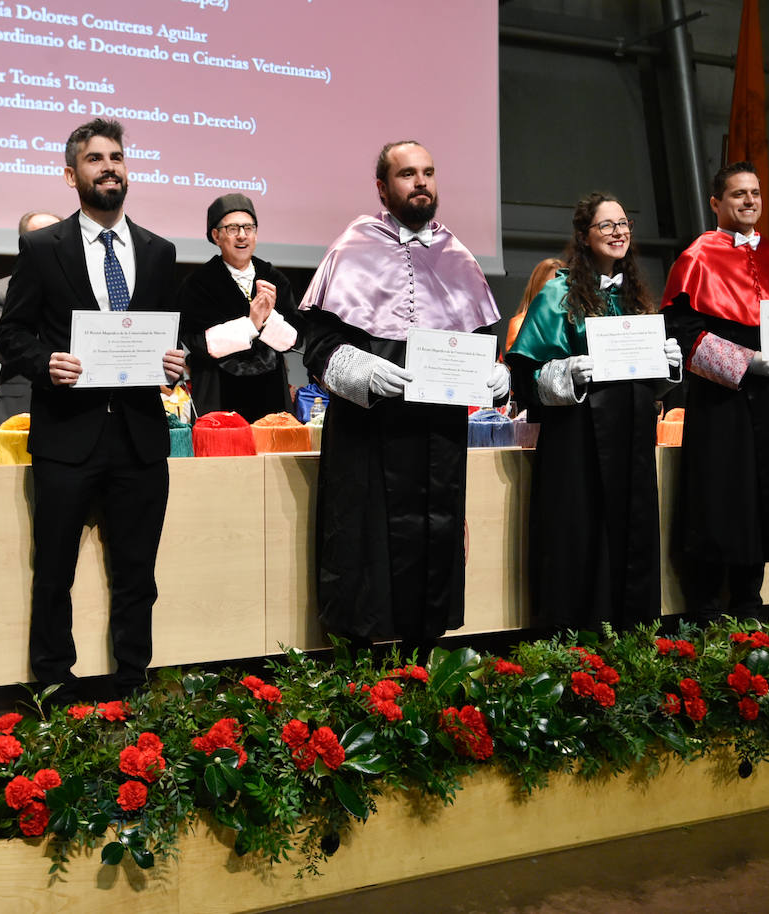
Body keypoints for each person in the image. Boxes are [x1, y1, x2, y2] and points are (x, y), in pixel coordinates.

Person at [0, 118, 184, 699]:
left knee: (138, 579)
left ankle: (133, 684)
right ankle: (53, 687)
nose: (109, 167)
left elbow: (170, 338)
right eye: (96, 158)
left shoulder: (159, 251)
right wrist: (45, 362)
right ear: (72, 173)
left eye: (117, 158)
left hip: (139, 438)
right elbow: (12, 333)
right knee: (54, 573)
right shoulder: (41, 248)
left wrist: (176, 362)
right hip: (67, 437)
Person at [298, 140, 505, 658]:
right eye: (408, 173)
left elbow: (480, 343)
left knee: (434, 541)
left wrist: (497, 376)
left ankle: (424, 657)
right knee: (362, 544)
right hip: (370, 432)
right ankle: (363, 672)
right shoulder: (352, 247)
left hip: (437, 438)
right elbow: (318, 349)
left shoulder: (458, 257)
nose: (421, 182)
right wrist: (362, 371)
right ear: (383, 187)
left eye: (428, 172)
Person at [661, 161, 769, 619]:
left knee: (764, 497)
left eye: (755, 193)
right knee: (719, 499)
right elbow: (682, 336)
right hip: (722, 401)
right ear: (716, 203)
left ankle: (750, 603)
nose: (749, 201)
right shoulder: (696, 257)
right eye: (738, 194)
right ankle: (704, 607)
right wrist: (746, 362)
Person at [506, 193, 681, 631]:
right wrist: (568, 372)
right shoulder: (557, 292)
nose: (618, 231)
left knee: (633, 533)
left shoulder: (635, 294)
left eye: (624, 224)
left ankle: (633, 636)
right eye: (606, 225)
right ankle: (578, 639)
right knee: (579, 537)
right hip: (577, 441)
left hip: (632, 439)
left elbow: (646, 382)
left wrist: (668, 366)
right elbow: (525, 376)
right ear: (584, 237)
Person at [177, 194, 300, 421]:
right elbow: (197, 341)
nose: (242, 235)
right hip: (218, 392)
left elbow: (294, 339)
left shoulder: (273, 278)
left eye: (248, 228)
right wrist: (251, 324)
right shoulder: (198, 283)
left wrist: (268, 317)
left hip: (271, 392)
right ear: (216, 236)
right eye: (233, 228)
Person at [0, 211, 61, 425]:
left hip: (77, 396)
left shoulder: (87, 285)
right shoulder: (1, 289)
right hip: (21, 400)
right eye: (41, 236)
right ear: (25, 244)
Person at [503, 257, 565, 354]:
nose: (557, 291)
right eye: (551, 286)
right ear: (537, 288)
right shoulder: (520, 324)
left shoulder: (575, 324)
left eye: (561, 285)